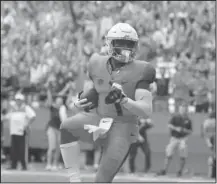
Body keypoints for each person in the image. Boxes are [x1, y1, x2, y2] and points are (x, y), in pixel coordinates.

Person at [59, 23, 155, 182]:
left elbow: (146, 110)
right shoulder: (96, 63)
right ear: (110, 44)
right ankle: (74, 179)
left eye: (129, 44)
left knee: (101, 180)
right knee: (67, 127)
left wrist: (125, 100)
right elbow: (91, 92)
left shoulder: (142, 70)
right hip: (98, 118)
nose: (126, 48)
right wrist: (80, 102)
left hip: (123, 126)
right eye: (121, 43)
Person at [158, 102, 193, 177]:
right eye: (182, 108)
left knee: (183, 156)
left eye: (184, 109)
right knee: (168, 154)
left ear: (186, 110)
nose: (183, 110)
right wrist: (176, 128)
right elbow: (169, 125)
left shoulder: (188, 119)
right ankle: (164, 170)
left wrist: (184, 130)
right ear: (180, 109)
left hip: (183, 139)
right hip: (174, 138)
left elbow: (190, 131)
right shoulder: (175, 117)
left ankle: (180, 171)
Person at [3, 93, 36, 170]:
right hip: (13, 131)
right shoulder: (13, 108)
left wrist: (27, 124)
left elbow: (33, 116)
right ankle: (13, 165)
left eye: (19, 100)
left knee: (22, 149)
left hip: (22, 131)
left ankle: (23, 165)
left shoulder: (26, 108)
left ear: (22, 100)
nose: (18, 101)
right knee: (13, 149)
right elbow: (7, 117)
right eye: (17, 100)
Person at [45, 87, 67, 171]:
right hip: (52, 129)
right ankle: (48, 164)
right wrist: (48, 90)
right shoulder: (52, 108)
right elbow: (50, 99)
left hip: (60, 130)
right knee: (52, 147)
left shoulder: (63, 109)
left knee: (58, 148)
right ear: (55, 102)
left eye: (60, 102)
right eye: (58, 102)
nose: (59, 103)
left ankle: (55, 164)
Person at [201, 110, 216, 178]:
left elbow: (203, 133)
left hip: (211, 140)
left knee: (213, 156)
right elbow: (204, 132)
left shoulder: (207, 121)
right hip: (212, 139)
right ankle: (211, 174)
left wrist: (208, 143)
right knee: (213, 156)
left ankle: (211, 174)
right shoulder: (208, 121)